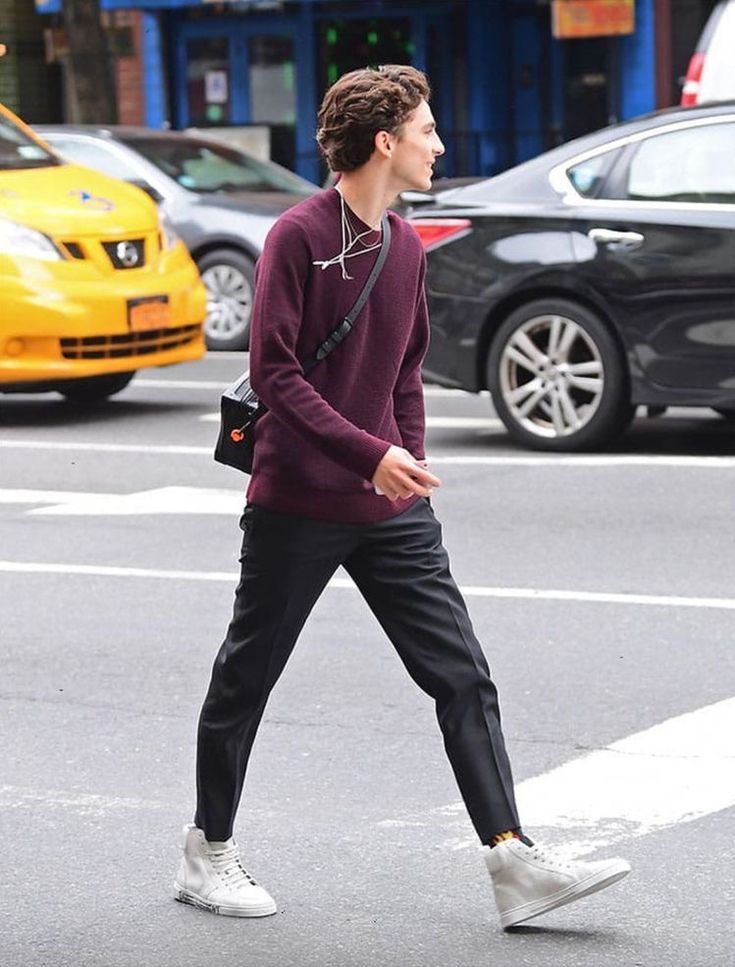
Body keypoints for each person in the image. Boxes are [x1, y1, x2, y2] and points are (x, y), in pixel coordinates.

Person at [173, 64, 630, 930]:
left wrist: (405, 464)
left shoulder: (404, 245)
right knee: (247, 677)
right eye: (426, 131)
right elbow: (272, 371)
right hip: (297, 501)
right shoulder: (297, 237)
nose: (439, 146)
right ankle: (208, 849)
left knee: (461, 675)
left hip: (389, 508)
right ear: (384, 142)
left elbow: (405, 373)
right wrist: (367, 452)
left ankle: (511, 857)